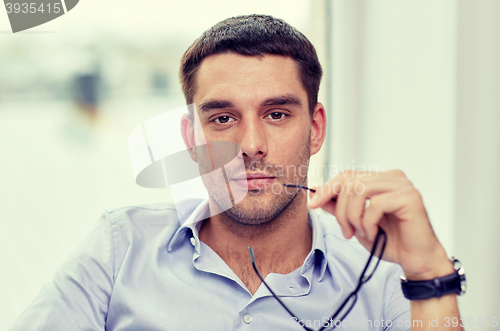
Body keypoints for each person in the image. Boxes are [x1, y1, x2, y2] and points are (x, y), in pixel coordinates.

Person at [9, 15, 464, 330]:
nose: (250, 146)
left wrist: (428, 272)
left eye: (277, 115)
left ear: (315, 128)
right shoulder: (119, 249)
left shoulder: (385, 277)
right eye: (223, 119)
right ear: (193, 139)